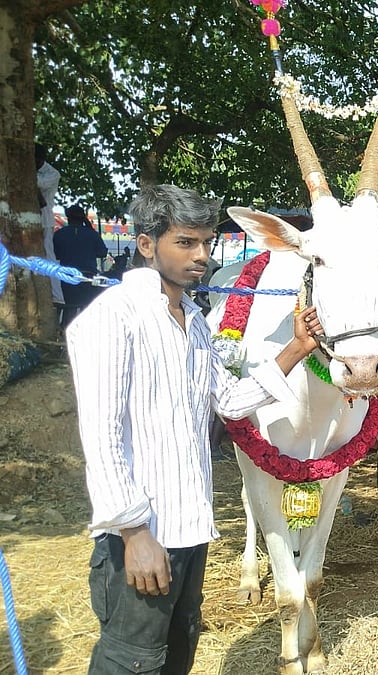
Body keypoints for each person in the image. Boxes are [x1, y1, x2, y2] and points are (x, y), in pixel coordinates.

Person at [65, 184, 324, 674]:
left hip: (188, 528)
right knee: (131, 661)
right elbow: (101, 437)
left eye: (206, 242)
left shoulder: (194, 322)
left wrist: (296, 349)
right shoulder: (114, 317)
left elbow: (227, 400)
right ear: (146, 245)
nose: (201, 255)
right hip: (139, 538)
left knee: (177, 652)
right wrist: (135, 533)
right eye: (185, 242)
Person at [54, 204, 110, 327]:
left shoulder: (59, 234)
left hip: (67, 277)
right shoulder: (91, 234)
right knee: (89, 308)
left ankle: (65, 336)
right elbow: (102, 252)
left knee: (70, 308)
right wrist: (89, 227)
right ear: (83, 218)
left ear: (68, 218)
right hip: (88, 277)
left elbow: (56, 255)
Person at [36, 144, 65, 309]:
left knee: (49, 256)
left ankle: (57, 296)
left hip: (45, 219)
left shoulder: (52, 173)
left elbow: (38, 184)